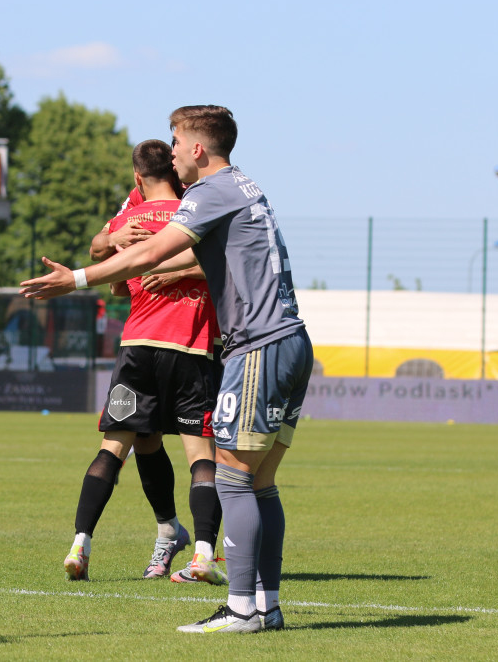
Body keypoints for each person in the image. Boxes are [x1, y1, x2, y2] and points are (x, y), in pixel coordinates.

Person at [21, 105, 313, 634]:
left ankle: (243, 608)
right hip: (292, 341)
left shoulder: (210, 191)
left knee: (235, 478)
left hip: (258, 347)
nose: (172, 151)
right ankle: (266, 606)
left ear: (198, 148)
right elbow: (190, 257)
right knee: (262, 483)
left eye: (177, 141)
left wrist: (78, 279)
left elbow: (151, 250)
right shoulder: (246, 187)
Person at [64, 140, 225, 585]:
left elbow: (110, 269)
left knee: (116, 448)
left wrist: (117, 254)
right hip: (190, 345)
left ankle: (81, 542)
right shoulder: (200, 205)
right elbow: (229, 260)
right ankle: (200, 551)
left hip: (137, 345)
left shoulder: (132, 215)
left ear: (138, 178)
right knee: (196, 453)